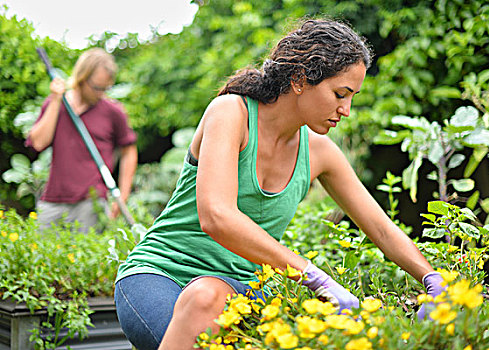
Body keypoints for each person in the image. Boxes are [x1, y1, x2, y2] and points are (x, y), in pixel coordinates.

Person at [114, 19, 444, 350]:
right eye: (340, 94)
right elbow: (216, 216)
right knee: (203, 301)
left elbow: (381, 229)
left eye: (352, 97)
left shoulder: (319, 152)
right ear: (300, 80)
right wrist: (313, 276)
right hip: (162, 277)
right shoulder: (232, 113)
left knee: (215, 298)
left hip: (239, 291)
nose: (346, 110)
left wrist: (434, 281)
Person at [26, 48, 137, 233]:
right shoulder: (56, 104)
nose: (101, 94)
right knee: (40, 259)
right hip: (52, 200)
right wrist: (55, 100)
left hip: (91, 202)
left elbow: (129, 151)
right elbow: (38, 143)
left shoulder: (113, 112)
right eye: (97, 88)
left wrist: (123, 196)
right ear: (81, 78)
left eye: (106, 88)